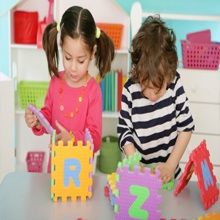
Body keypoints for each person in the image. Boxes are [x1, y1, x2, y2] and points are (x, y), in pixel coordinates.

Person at [25, 6, 115, 171]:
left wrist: (72, 138)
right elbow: (48, 116)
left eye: (80, 60)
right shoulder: (55, 82)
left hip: (81, 172)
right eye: (67, 58)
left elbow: (95, 139)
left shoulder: (93, 90)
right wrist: (37, 121)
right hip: (55, 169)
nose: (73, 67)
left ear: (92, 52)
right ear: (61, 47)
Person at [117, 15, 194, 183]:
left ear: (169, 74)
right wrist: (136, 164)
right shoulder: (130, 89)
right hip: (139, 174)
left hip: (171, 173)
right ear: (137, 71)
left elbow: (186, 127)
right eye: (146, 87)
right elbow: (124, 132)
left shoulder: (175, 84)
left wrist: (170, 165)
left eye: (158, 90)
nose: (151, 95)